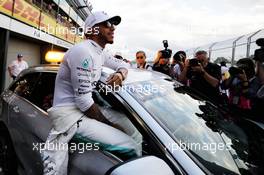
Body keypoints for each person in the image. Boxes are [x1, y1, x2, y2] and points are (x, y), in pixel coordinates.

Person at [42, 11, 141, 175]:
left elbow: (124, 65)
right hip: (70, 117)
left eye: (114, 24)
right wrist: (110, 126)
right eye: (107, 24)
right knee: (130, 145)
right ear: (93, 30)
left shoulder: (99, 52)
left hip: (83, 110)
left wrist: (120, 73)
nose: (113, 28)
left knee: (133, 128)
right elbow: (84, 103)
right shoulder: (83, 51)